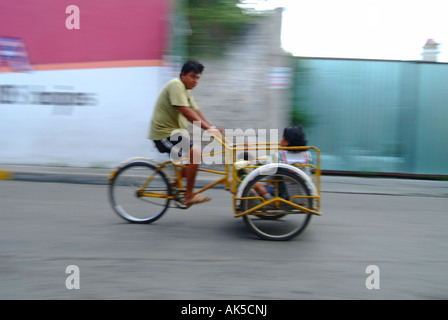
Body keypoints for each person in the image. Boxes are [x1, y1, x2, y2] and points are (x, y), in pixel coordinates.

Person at [148, 60, 222, 205]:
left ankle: (174, 187)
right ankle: (189, 196)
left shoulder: (185, 90)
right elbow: (186, 111)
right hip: (163, 134)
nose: (195, 81)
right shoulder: (176, 85)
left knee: (191, 160)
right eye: (192, 76)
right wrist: (208, 129)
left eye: (197, 78)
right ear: (182, 75)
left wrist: (211, 127)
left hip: (175, 134)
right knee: (195, 154)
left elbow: (195, 110)